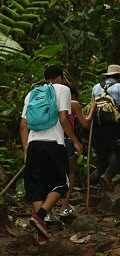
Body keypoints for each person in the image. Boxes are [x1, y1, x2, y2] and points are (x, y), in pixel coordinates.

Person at [20, 65, 83, 246]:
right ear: (61, 77)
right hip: (54, 144)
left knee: (37, 186)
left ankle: (41, 233)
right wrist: (76, 141)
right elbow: (63, 118)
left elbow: (23, 126)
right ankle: (40, 216)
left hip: (33, 146)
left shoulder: (32, 93)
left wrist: (26, 150)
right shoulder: (63, 90)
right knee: (62, 183)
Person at [91, 64, 120, 191]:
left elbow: (92, 108)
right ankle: (107, 176)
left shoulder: (96, 88)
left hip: (98, 127)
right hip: (114, 127)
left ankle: (91, 183)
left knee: (102, 158)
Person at [59, 83, 96, 217]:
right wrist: (92, 109)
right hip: (67, 141)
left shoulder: (51, 102)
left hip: (51, 141)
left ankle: (48, 209)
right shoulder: (73, 103)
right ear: (72, 95)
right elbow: (86, 123)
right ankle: (65, 204)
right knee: (71, 173)